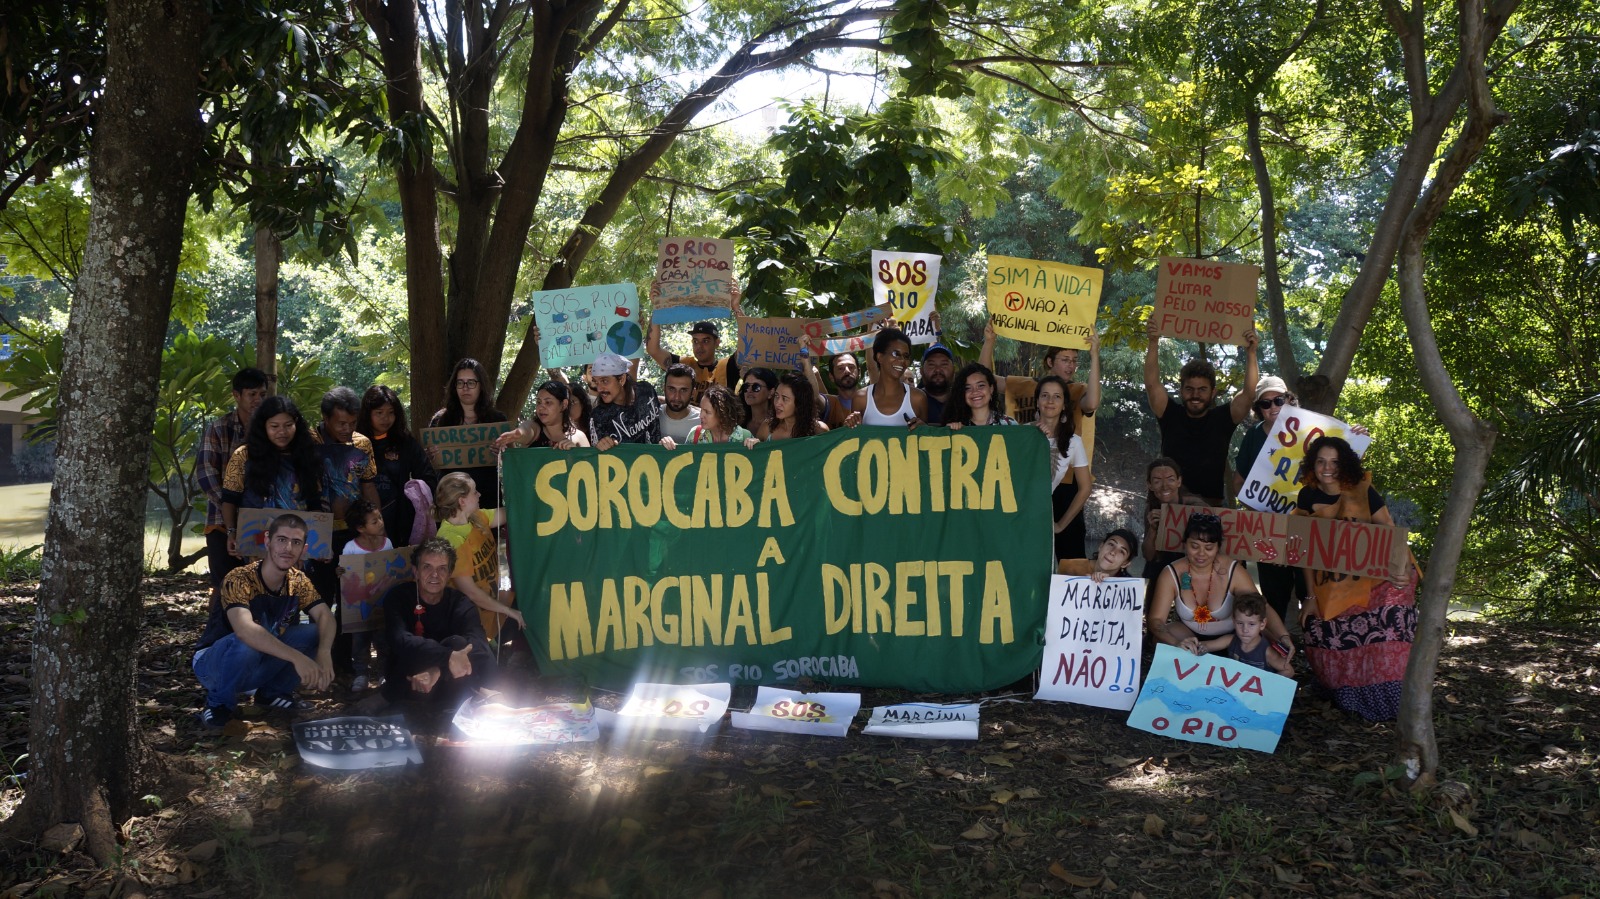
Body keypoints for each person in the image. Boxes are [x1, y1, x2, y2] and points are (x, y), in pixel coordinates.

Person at [1295, 435, 1419, 721]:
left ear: (1345, 465)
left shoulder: (1363, 489)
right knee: (1318, 626)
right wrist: (1310, 598)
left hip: (1376, 577)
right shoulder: (1307, 496)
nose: (1328, 468)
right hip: (1334, 581)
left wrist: (1400, 570)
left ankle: (1392, 696)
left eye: (1335, 462)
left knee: (1391, 617)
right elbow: (1303, 550)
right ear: (1313, 465)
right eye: (1321, 461)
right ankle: (1348, 693)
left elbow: (1389, 529)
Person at [192, 514, 335, 728]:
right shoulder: (239, 578)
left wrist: (324, 652)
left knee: (317, 632)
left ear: (303, 550)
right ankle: (218, 704)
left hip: (258, 662)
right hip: (213, 665)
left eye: (296, 542)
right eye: (281, 540)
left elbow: (325, 615)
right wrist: (298, 658)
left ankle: (272, 693)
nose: (288, 548)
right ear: (267, 542)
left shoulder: (298, 581)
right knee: (247, 642)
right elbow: (245, 631)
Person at [1143, 317, 1258, 505]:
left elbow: (1249, 393)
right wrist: (1153, 342)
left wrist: (1251, 353)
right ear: (1181, 391)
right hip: (1168, 502)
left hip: (1210, 505)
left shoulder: (1224, 418)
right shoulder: (1169, 413)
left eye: (1202, 389)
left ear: (1213, 392)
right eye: (1189, 389)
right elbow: (1151, 384)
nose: (1195, 395)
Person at [1146, 512, 1295, 657]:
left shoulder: (1232, 570)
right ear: (1184, 544)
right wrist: (1176, 643)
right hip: (1190, 637)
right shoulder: (1171, 572)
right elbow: (1156, 620)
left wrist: (1283, 635)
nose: (1201, 554)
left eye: (1209, 547)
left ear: (1218, 547)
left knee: (1265, 649)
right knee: (1161, 639)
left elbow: (1262, 606)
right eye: (1194, 546)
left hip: (1234, 639)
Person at [381, 538, 496, 708]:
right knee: (451, 647)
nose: (435, 575)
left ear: (449, 574)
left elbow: (479, 643)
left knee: (462, 644)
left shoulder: (459, 602)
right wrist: (447, 657)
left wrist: (437, 670)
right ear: (416, 571)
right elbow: (400, 640)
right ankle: (386, 698)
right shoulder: (398, 598)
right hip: (412, 679)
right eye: (427, 567)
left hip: (449, 682)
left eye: (442, 569)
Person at [1230, 375, 1304, 622]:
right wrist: (1258, 510)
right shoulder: (1253, 436)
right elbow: (1238, 483)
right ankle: (1277, 650)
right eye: (1265, 403)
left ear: (1289, 400)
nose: (1273, 407)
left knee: (1311, 593)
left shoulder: (1310, 432)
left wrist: (1355, 435)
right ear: (1258, 409)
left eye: (1278, 400)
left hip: (1306, 529)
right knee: (1274, 598)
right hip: (1268, 530)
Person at [198, 367, 269, 609]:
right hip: (221, 521)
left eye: (262, 394)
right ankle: (215, 641)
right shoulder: (219, 428)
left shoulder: (273, 429)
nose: (258, 400)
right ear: (236, 396)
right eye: (252, 394)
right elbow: (206, 474)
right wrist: (233, 511)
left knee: (262, 584)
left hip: (264, 521)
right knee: (224, 585)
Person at [221, 396, 324, 557]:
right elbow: (229, 499)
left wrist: (320, 542)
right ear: (263, 427)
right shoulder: (243, 456)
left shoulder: (308, 455)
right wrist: (231, 531)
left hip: (297, 545)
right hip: (257, 541)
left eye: (288, 425)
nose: (282, 432)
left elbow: (314, 500)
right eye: (274, 426)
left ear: (297, 424)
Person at [433, 471, 525, 643]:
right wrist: (509, 611)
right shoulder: (452, 540)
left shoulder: (476, 518)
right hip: (475, 622)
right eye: (474, 492)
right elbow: (472, 593)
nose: (479, 495)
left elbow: (510, 512)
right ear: (462, 501)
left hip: (495, 603)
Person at [979, 322, 1101, 431]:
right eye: (1065, 360)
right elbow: (984, 380)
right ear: (1050, 362)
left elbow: (1091, 404)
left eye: (1074, 361)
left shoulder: (1078, 391)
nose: (1071, 365)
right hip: (1025, 451)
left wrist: (1094, 355)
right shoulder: (1023, 385)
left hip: (1064, 454)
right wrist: (989, 342)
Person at [357, 385, 436, 547]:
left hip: (401, 520)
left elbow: (427, 475)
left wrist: (415, 498)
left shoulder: (404, 442)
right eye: (379, 413)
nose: (386, 419)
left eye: (391, 412)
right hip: (364, 520)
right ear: (367, 414)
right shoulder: (356, 443)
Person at [427, 358, 510, 504]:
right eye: (460, 383)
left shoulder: (497, 420)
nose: (465, 388)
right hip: (451, 502)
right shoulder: (440, 421)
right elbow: (428, 466)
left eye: (471, 382)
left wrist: (502, 454)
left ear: (481, 386)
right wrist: (430, 456)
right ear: (454, 386)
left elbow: (511, 459)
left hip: (486, 498)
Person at [1037, 375, 1091, 562]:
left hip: (1043, 517)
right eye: (1044, 395)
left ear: (1064, 404)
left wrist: (1060, 525)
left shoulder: (1073, 442)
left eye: (1057, 396)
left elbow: (1085, 488)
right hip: (1016, 517)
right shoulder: (1020, 433)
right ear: (1037, 401)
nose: (1050, 401)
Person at [340, 499, 392, 692]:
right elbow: (346, 574)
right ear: (361, 528)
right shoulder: (351, 548)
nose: (380, 522)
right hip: (359, 606)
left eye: (380, 518)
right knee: (360, 641)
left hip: (382, 603)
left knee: (383, 640)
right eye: (374, 521)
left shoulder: (387, 543)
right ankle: (361, 674)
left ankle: (383, 673)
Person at [645, 318, 740, 404]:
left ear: (717, 343)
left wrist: (736, 309)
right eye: (695, 341)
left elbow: (750, 345)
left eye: (705, 341)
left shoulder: (728, 366)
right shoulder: (683, 366)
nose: (699, 346)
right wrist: (656, 310)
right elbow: (653, 350)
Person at [1142, 456, 1205, 583]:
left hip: (1192, 568)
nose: (1165, 486)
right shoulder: (1152, 509)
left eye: (1170, 480)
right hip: (1161, 570)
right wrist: (1153, 530)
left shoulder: (1197, 506)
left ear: (1179, 481)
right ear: (1150, 485)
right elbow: (1148, 556)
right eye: (1157, 481)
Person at [1201, 592, 1294, 677]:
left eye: (1251, 624)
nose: (1245, 630)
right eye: (1240, 623)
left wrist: (1264, 683)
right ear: (1234, 621)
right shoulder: (1230, 640)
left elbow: (1289, 671)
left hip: (1254, 692)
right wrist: (1193, 644)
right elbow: (1206, 646)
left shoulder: (1267, 652)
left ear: (1262, 624)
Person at [857, 327, 930, 427]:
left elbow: (926, 440)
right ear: (880, 357)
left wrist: (923, 428)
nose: (902, 360)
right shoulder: (860, 399)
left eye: (906, 356)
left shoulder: (918, 399)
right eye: (896, 354)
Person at [588, 351, 661, 449]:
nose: (599, 389)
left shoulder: (647, 391)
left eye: (604, 381)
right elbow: (598, 457)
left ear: (622, 379)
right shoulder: (598, 417)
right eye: (596, 382)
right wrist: (601, 445)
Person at [493, 380, 592, 451]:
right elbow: (526, 430)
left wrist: (576, 453)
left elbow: (592, 471)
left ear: (564, 404)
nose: (541, 407)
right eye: (538, 402)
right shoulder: (535, 428)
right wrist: (518, 434)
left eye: (548, 402)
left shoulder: (579, 437)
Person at [662, 384, 758, 448]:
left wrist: (756, 446)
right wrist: (668, 445)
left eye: (707, 412)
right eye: (701, 410)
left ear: (723, 414)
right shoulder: (695, 435)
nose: (701, 416)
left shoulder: (745, 437)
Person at [943, 363, 1017, 429]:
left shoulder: (1009, 424)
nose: (975, 391)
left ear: (991, 389)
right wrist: (950, 432)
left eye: (981, 385)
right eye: (968, 388)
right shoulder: (957, 425)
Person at [764, 372, 829, 440]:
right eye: (776, 396)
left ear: (800, 403)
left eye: (784, 398)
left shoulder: (819, 430)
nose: (777, 403)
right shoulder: (767, 427)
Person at [814, 352, 869, 430]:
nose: (847, 371)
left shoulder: (872, 399)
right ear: (831, 376)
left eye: (851, 367)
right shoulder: (830, 403)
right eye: (840, 368)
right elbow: (814, 394)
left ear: (859, 373)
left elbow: (873, 368)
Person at [1058, 529, 1139, 579]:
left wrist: (1107, 584)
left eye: (1122, 551)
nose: (1113, 552)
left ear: (1125, 563)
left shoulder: (1127, 585)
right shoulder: (1071, 567)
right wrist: (1085, 582)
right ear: (1101, 546)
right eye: (1111, 544)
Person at [657, 363, 702, 444]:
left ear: (693, 393)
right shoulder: (652, 417)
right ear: (664, 389)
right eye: (671, 389)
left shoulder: (703, 421)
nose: (677, 397)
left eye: (683, 390)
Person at [919, 342, 955, 424]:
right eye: (931, 365)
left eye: (944, 364)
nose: (938, 369)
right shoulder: (912, 400)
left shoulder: (964, 400)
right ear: (921, 371)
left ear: (954, 370)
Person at [741, 367, 778, 434]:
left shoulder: (779, 424)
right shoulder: (737, 423)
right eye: (746, 386)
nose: (749, 390)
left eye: (756, 387)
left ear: (771, 392)